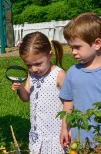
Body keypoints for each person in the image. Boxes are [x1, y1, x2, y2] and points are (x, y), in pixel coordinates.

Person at [12, 31, 66, 154]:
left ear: (50, 55)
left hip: (55, 130)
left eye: (38, 64)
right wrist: (20, 88)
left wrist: (65, 127)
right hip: (38, 130)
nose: (34, 69)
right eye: (29, 65)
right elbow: (26, 97)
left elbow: (70, 102)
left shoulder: (58, 75)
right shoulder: (31, 74)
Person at [59, 12, 101, 147]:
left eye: (77, 47)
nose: (73, 52)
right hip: (80, 139)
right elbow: (68, 103)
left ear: (97, 43)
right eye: (71, 47)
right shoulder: (72, 73)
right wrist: (65, 128)